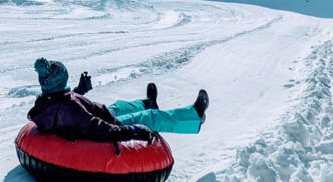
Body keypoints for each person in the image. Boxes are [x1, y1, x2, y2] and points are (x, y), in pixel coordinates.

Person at [27, 58, 209, 143]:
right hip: (101, 124)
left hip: (92, 115)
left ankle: (148, 101)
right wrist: (133, 131)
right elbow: (97, 128)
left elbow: (66, 106)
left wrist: (81, 90)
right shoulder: (70, 108)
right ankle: (194, 117)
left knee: (119, 106)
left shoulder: (48, 99)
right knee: (150, 117)